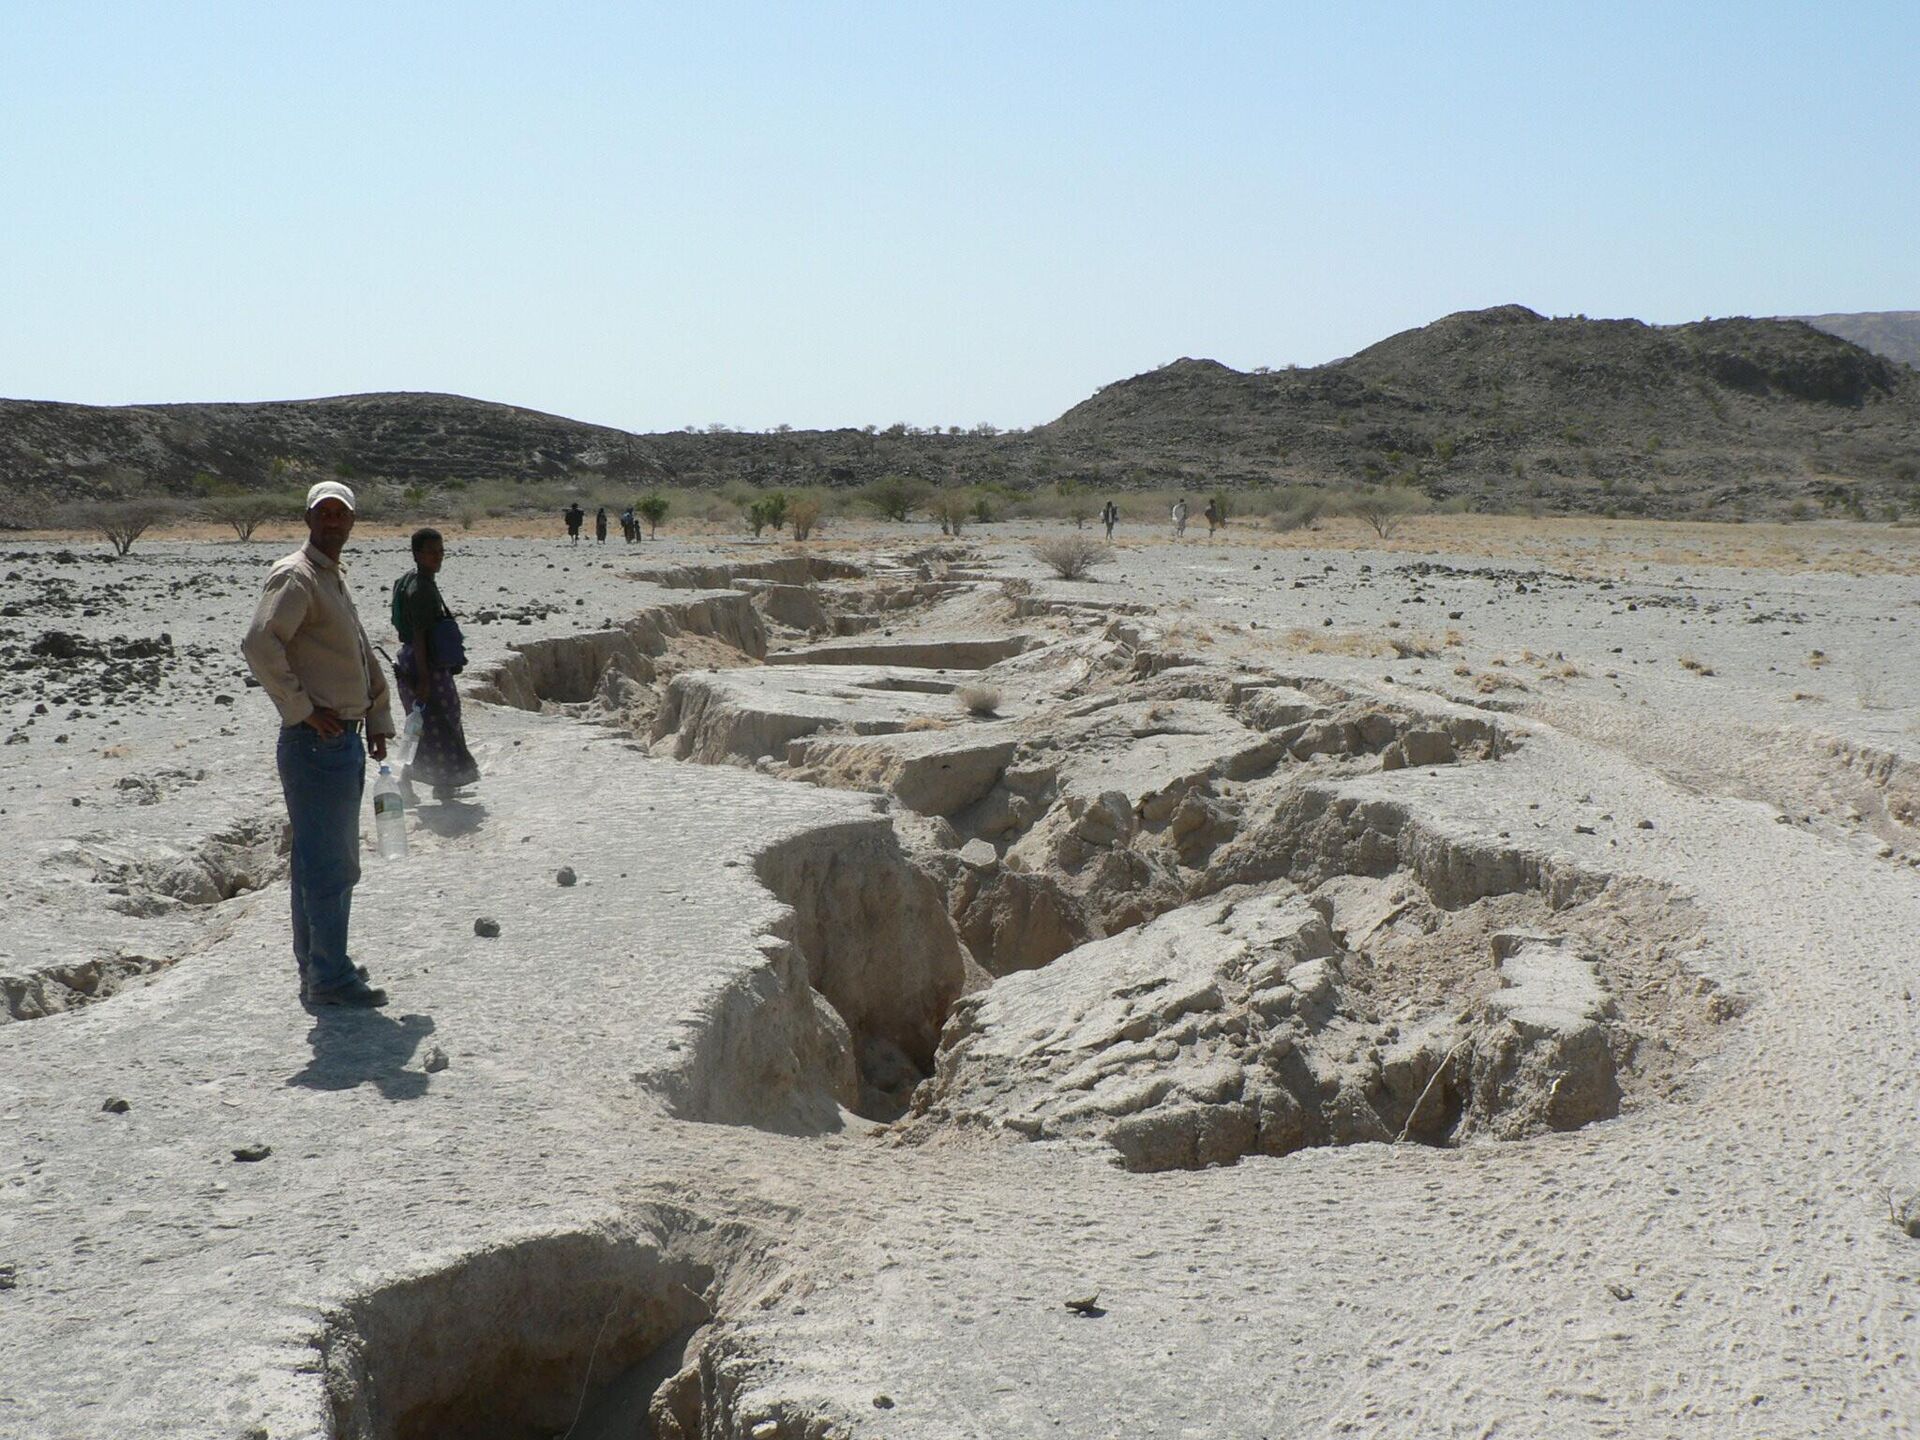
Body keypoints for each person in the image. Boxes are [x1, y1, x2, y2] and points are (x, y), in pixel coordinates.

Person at [241, 481, 394, 1009]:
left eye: (341, 514)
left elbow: (357, 649)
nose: (333, 522)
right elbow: (260, 643)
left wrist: (377, 714)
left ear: (352, 521)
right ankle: (329, 977)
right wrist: (303, 709)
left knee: (314, 863)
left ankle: (319, 966)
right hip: (316, 746)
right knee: (334, 867)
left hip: (336, 743)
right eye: (324, 514)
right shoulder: (297, 576)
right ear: (308, 517)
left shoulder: (330, 577)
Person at [390, 528, 481, 802]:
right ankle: (440, 783)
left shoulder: (408, 581)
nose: (437, 557)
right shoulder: (421, 590)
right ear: (417, 554)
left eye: (441, 551)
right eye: (431, 552)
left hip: (412, 661)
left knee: (419, 724)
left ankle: (421, 781)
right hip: (423, 664)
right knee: (444, 719)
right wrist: (425, 679)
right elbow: (420, 635)